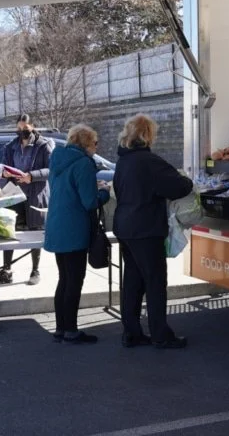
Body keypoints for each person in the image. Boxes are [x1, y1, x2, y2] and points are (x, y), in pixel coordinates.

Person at [113, 114, 193, 349]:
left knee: (133, 281)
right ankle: (160, 334)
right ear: (147, 135)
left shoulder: (123, 160)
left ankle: (131, 332)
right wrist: (188, 182)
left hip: (125, 226)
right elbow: (178, 186)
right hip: (146, 228)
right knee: (155, 281)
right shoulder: (149, 161)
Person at [44, 124, 110, 345]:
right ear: (86, 143)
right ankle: (71, 330)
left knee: (64, 279)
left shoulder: (57, 161)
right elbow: (89, 202)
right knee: (74, 280)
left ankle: (61, 329)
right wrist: (103, 192)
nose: (96, 147)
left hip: (56, 226)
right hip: (74, 229)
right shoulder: (82, 163)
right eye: (94, 143)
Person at [0, 114, 54, 286]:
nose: (22, 132)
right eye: (19, 129)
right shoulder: (11, 146)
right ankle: (6, 269)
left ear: (33, 126)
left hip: (35, 194)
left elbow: (51, 169)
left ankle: (35, 270)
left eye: (25, 128)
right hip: (14, 194)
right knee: (9, 231)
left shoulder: (44, 146)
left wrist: (32, 176)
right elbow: (3, 166)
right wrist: (5, 173)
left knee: (34, 231)